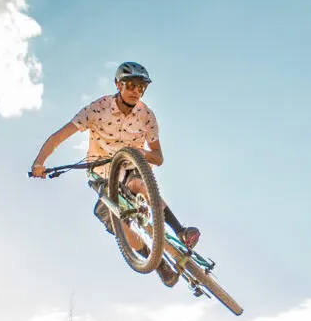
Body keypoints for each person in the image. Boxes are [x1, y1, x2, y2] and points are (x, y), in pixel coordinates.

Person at [30, 62, 200, 287]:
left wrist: (141, 153)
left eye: (141, 88)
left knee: (140, 183)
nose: (136, 92)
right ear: (119, 85)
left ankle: (180, 231)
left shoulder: (146, 116)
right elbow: (59, 136)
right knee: (115, 218)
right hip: (101, 171)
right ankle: (160, 266)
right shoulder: (98, 109)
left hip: (131, 166)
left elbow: (158, 158)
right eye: (131, 85)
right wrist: (39, 162)